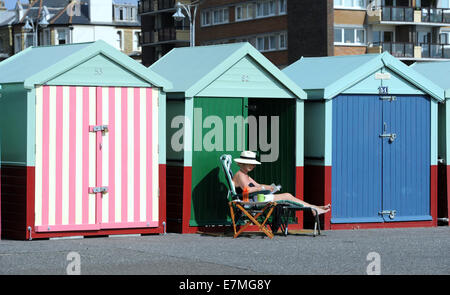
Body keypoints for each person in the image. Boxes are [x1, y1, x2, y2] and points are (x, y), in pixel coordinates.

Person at [232, 151, 331, 216]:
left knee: (288, 196)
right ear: (242, 163)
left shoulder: (245, 175)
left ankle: (314, 207)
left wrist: (270, 187)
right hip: (251, 201)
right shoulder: (240, 175)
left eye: (253, 164)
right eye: (249, 164)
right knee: (287, 196)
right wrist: (261, 188)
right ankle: (313, 208)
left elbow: (257, 185)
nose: (252, 166)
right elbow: (247, 190)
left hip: (256, 198)